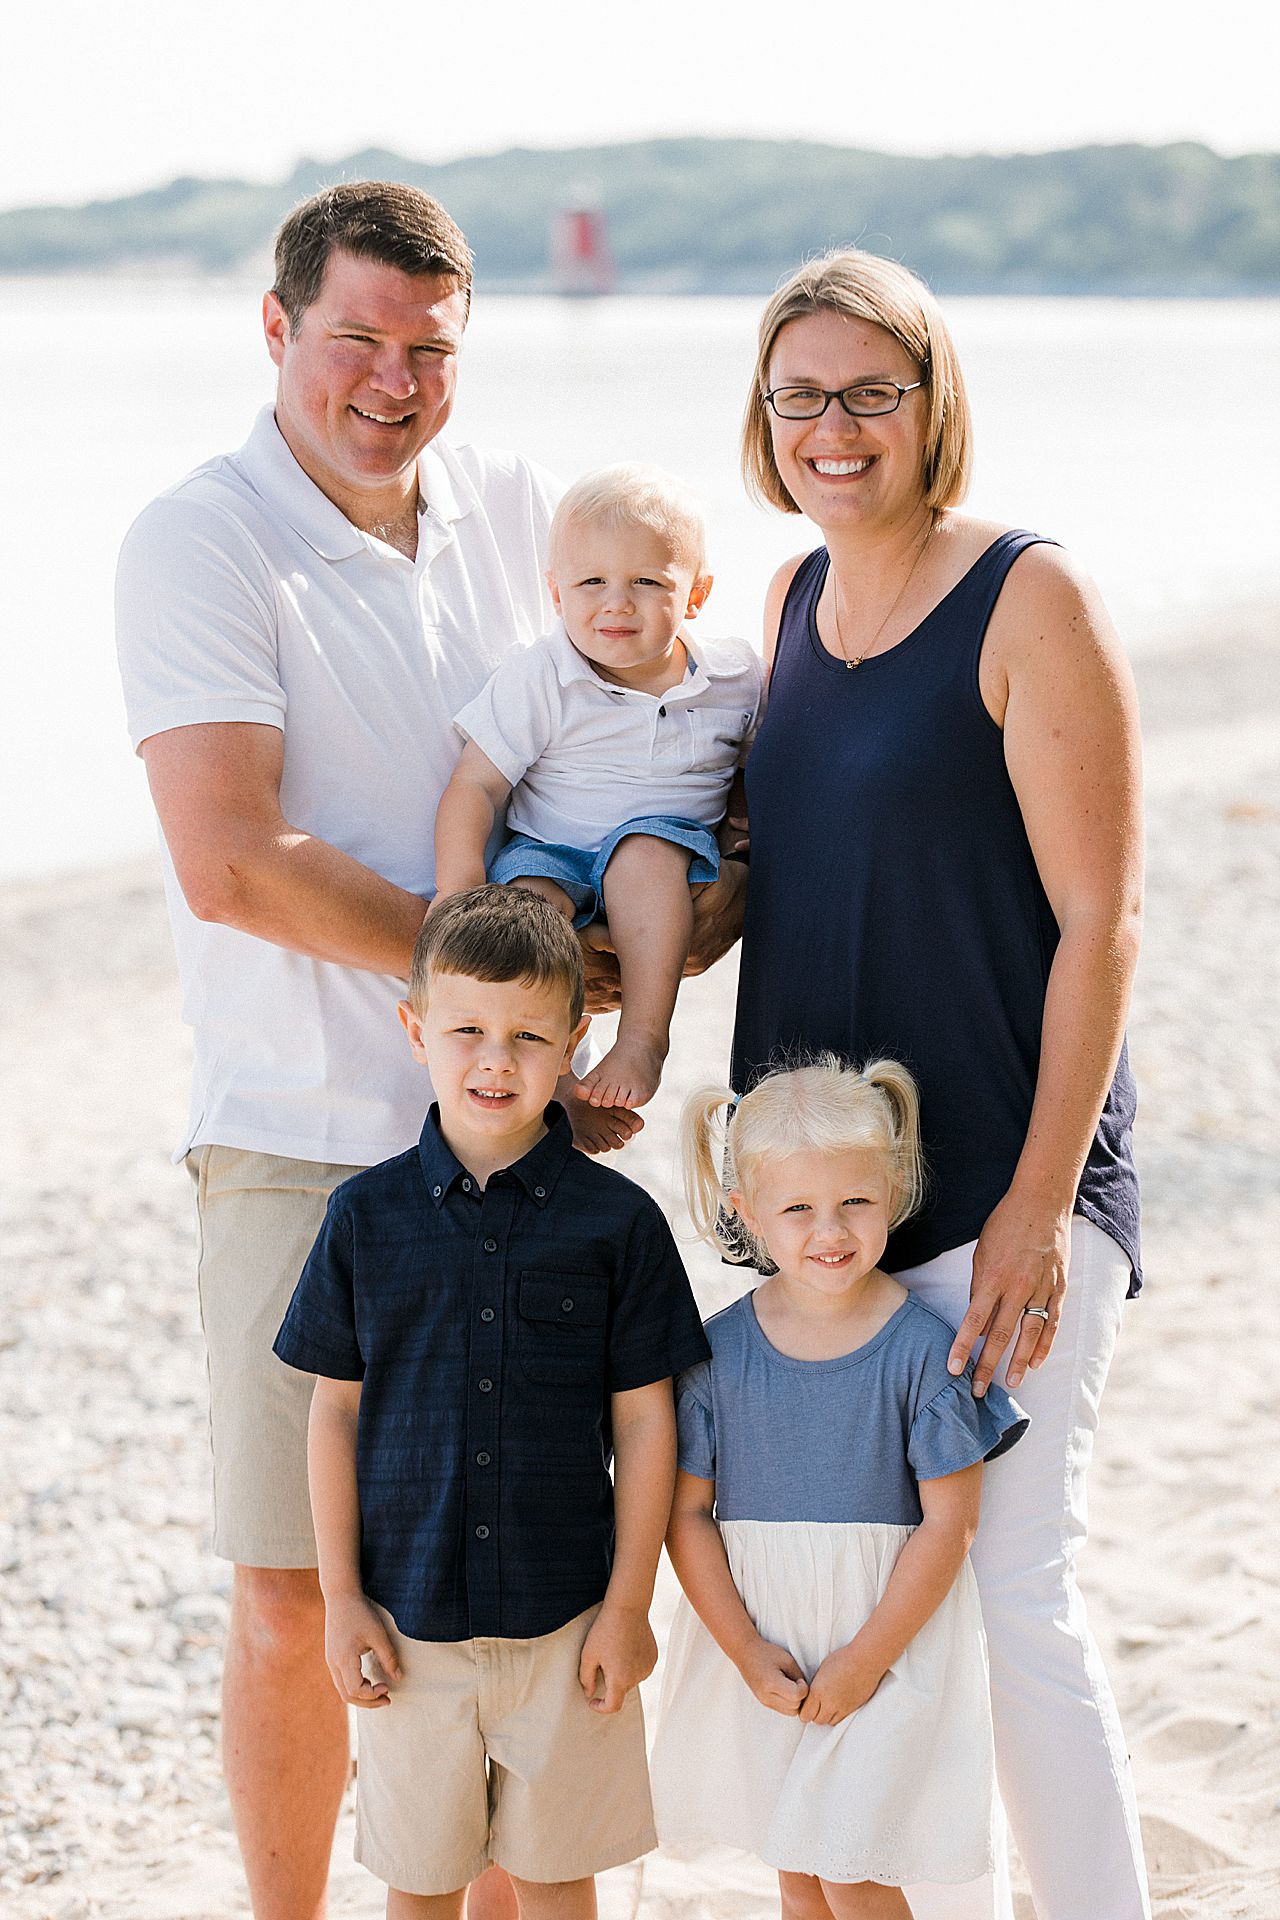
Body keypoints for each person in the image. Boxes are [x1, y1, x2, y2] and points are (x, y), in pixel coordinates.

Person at [114, 178, 741, 1920]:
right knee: (297, 1591)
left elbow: (656, 729)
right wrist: (503, 983)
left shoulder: (528, 509)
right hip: (305, 1135)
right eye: (356, 340)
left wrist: (685, 915)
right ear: (277, 331)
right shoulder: (200, 536)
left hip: (529, 1149)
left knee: (510, 1596)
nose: (391, 379)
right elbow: (229, 856)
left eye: (428, 348)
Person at [731, 250, 1149, 1919]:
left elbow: (1107, 923)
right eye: (799, 398)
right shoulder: (779, 604)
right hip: (825, 1211)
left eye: (870, 392)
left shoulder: (1026, 594)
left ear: (933, 404)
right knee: (841, 1598)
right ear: (764, 424)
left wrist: (1036, 1216)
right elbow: (789, 873)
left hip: (1001, 1190)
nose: (834, 427)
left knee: (1009, 1592)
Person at [274, 886, 710, 1919]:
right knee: (420, 1886)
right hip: (406, 1624)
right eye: (464, 1030)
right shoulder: (361, 1219)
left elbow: (646, 1420)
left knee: (559, 1881)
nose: (493, 1060)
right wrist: (340, 1599)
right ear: (414, 1029)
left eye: (526, 1036)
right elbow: (333, 1413)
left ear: (573, 1040)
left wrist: (627, 1606)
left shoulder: (617, 1223)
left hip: (568, 1627)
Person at [651, 1059, 1027, 1917]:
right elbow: (686, 1516)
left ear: (893, 1190)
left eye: (855, 1201)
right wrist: (744, 1650)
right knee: (796, 1867)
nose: (831, 1230)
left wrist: (865, 1661)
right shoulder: (716, 1358)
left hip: (884, 1648)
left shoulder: (924, 1353)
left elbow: (950, 1527)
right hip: (767, 1648)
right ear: (745, 1211)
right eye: (797, 1209)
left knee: (852, 1871)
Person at [434, 464, 764, 1121]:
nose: (617, 603)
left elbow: (764, 779)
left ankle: (642, 1038)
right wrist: (458, 896)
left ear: (696, 594)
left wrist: (745, 852)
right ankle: (551, 1075)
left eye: (647, 582)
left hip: (663, 860)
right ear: (556, 593)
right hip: (551, 853)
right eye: (592, 582)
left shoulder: (736, 680)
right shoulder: (542, 678)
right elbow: (475, 783)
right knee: (528, 908)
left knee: (644, 853)